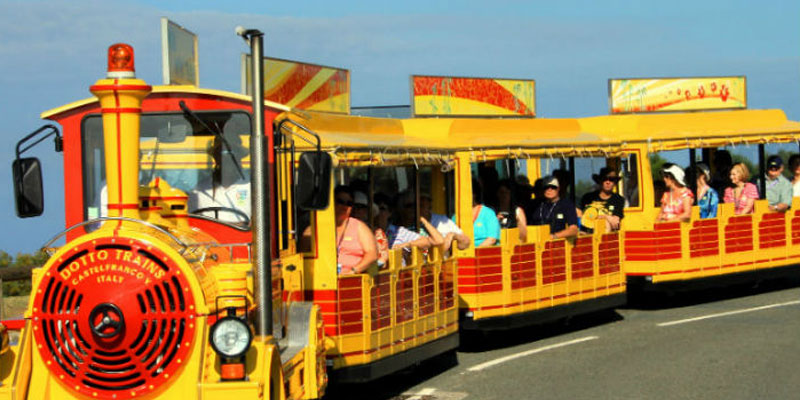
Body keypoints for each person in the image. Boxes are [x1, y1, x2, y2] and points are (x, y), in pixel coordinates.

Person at [188, 137, 251, 224]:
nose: (226, 158)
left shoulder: (252, 187)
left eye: (231, 153)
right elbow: (193, 223)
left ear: (239, 156)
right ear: (215, 158)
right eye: (221, 154)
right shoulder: (200, 189)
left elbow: (260, 224)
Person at [334, 186, 378, 274]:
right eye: (340, 201)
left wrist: (353, 271)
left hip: (354, 280)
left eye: (349, 203)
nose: (344, 206)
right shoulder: (318, 227)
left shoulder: (359, 227)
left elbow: (372, 254)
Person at [579, 167, 625, 233]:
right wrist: (607, 217)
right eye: (604, 179)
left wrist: (600, 217)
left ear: (615, 183)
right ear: (600, 181)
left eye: (611, 179)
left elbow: (615, 222)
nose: (608, 182)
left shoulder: (618, 199)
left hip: (607, 236)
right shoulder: (588, 198)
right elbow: (580, 215)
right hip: (586, 235)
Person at [471, 178, 501, 247]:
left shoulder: (488, 213)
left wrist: (475, 253)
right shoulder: (455, 216)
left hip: (483, 254)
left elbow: (492, 239)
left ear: (474, 194)